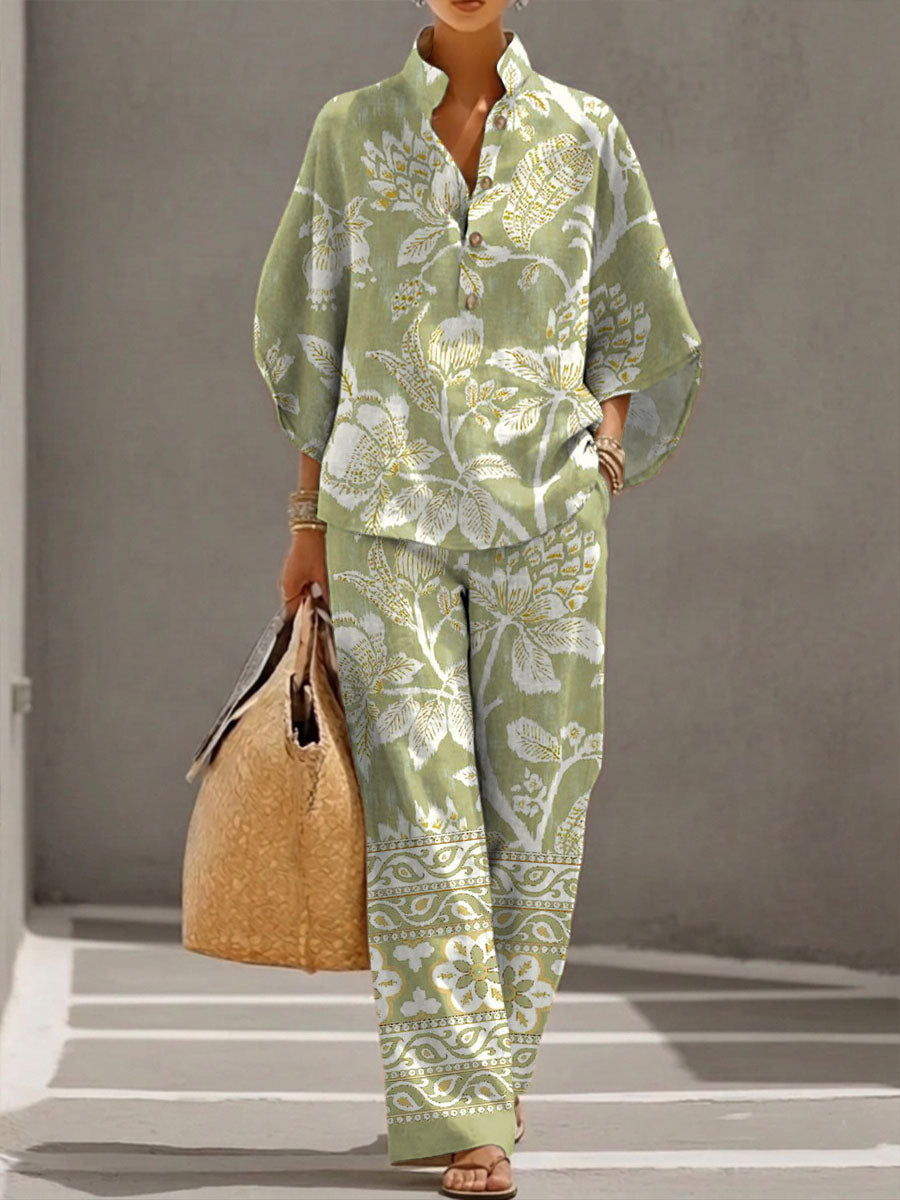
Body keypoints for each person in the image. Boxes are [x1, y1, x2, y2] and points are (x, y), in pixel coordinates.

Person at [253, 1, 703, 1194]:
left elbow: (633, 311)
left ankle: (493, 1079)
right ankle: (468, 1115)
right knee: (422, 809)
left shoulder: (585, 132)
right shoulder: (349, 131)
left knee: (538, 813)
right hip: (383, 511)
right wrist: (305, 520)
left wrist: (605, 452)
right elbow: (314, 330)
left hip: (546, 519)